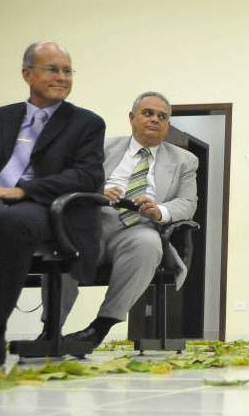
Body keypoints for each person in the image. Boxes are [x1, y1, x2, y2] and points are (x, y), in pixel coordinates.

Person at [0, 41, 105, 367]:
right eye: (52, 69)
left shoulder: (86, 123)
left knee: (9, 224)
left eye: (67, 71)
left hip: (43, 208)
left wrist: (24, 191)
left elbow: (86, 176)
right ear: (27, 74)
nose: (62, 77)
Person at [57, 92, 199, 347]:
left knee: (148, 243)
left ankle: (99, 328)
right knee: (64, 243)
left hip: (139, 227)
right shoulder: (101, 148)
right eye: (148, 113)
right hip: (93, 222)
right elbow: (71, 181)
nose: (155, 119)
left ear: (168, 124)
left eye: (162, 116)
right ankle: (51, 328)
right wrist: (96, 193)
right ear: (132, 118)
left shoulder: (184, 160)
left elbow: (188, 203)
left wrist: (160, 211)